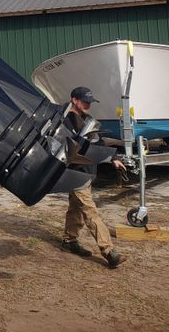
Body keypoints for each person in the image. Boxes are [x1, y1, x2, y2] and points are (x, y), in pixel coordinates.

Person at [60, 86, 128, 269]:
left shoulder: (89, 120)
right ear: (74, 100)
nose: (88, 105)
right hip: (75, 173)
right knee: (90, 212)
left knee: (76, 208)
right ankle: (109, 252)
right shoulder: (63, 121)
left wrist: (113, 157)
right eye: (85, 101)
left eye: (90, 102)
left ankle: (69, 240)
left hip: (88, 172)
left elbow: (100, 142)